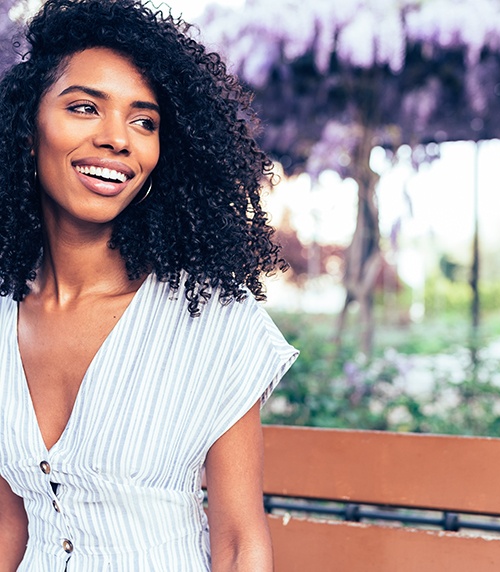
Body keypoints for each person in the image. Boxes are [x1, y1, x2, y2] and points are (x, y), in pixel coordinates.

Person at [0, 0, 298, 570]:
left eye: (144, 121)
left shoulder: (211, 318)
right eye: (85, 107)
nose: (118, 139)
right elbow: (12, 521)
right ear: (27, 126)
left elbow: (239, 544)